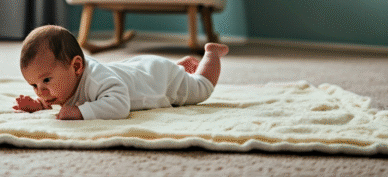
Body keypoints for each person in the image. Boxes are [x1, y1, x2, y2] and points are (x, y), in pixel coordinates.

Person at [13, 25, 229, 120]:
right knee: (163, 69)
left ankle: (212, 54)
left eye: (46, 81)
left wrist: (81, 113)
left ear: (77, 67)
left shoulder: (96, 79)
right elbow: (56, 99)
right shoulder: (66, 81)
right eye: (34, 85)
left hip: (162, 81)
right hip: (144, 68)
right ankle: (178, 66)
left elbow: (120, 105)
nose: (41, 91)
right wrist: (38, 105)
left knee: (200, 90)